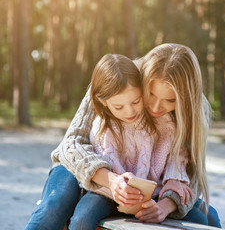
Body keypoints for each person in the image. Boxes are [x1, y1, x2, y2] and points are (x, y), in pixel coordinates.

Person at [25, 43, 221, 230]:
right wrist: (110, 179)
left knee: (209, 216)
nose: (154, 107)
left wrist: (167, 204)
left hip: (139, 183)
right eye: (150, 94)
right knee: (56, 204)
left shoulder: (195, 111)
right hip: (78, 166)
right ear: (143, 82)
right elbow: (72, 143)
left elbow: (191, 174)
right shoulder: (119, 81)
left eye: (170, 100)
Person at [66, 53, 192, 229]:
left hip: (151, 197)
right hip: (107, 192)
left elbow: (177, 158)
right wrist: (118, 184)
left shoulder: (165, 123)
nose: (130, 111)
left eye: (136, 101)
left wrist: (167, 195)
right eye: (119, 107)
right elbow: (98, 162)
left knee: (204, 219)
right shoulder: (103, 123)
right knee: (82, 219)